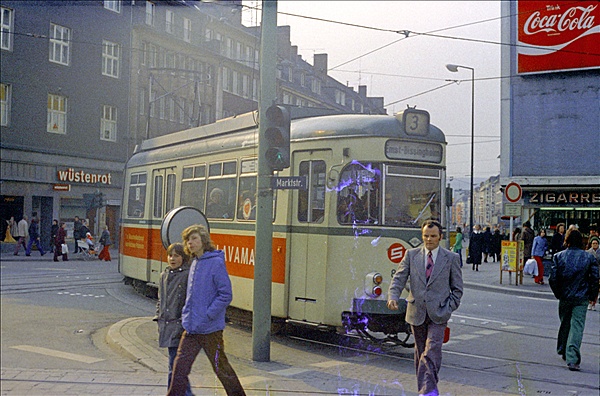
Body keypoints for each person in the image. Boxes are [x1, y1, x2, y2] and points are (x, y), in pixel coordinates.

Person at [167, 225, 245, 396]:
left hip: (210, 330)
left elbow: (225, 294)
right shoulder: (194, 263)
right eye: (188, 240)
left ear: (203, 240)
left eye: (194, 238)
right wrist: (187, 317)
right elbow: (190, 295)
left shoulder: (215, 262)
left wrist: (208, 315)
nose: (191, 242)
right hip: (192, 328)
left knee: (221, 369)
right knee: (179, 369)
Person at [387, 220, 463, 396]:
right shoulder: (411, 255)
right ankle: (428, 388)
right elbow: (399, 278)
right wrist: (393, 296)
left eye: (433, 236)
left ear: (440, 237)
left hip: (439, 313)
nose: (429, 240)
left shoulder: (451, 258)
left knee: (431, 350)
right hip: (416, 312)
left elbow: (457, 289)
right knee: (421, 353)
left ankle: (427, 392)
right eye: (426, 236)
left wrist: (449, 307)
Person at [549, 228, 599, 372]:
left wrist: (559, 293)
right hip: (581, 296)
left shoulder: (559, 256)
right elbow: (594, 278)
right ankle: (572, 358)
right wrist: (592, 296)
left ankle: (563, 349)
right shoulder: (589, 258)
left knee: (565, 322)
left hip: (565, 296)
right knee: (577, 326)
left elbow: (553, 278)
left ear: (567, 240)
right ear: (582, 241)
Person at [155, 243, 193, 396]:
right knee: (175, 367)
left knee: (174, 367)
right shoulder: (164, 276)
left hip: (180, 327)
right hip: (166, 326)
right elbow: (160, 300)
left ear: (183, 258)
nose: (172, 259)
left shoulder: (187, 275)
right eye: (170, 255)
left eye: (176, 256)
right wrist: (158, 317)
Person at [586, 236, 599, 311]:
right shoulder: (588, 252)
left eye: (596, 243)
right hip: (590, 272)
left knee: (596, 289)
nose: (595, 245)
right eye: (593, 243)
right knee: (589, 288)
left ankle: (594, 302)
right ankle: (589, 302)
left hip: (598, 272)